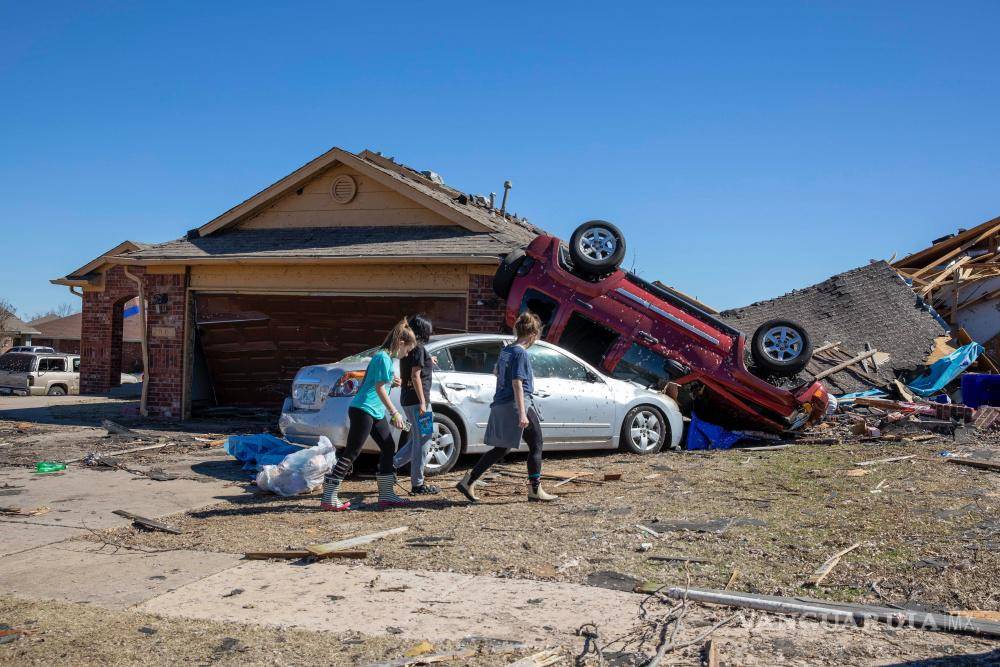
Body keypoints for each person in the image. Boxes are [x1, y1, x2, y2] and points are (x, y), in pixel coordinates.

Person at [456, 311, 558, 503]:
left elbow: (496, 372)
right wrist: (522, 413)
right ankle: (535, 489)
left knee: (501, 448)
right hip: (517, 404)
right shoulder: (521, 353)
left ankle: (468, 480)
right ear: (532, 335)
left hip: (502, 402)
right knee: (536, 443)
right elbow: (517, 383)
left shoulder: (507, 350)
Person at [321, 319, 416, 511]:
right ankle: (329, 496)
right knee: (352, 452)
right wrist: (395, 412)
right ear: (401, 343)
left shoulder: (384, 358)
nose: (406, 354)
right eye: (407, 350)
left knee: (388, 446)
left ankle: (387, 494)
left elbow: (373, 380)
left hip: (374, 410)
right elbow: (379, 388)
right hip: (364, 409)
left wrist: (392, 382)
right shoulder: (383, 357)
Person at [392, 314, 440, 495]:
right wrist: (422, 402)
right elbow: (415, 375)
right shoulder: (419, 349)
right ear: (424, 330)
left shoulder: (411, 348)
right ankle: (417, 484)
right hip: (419, 402)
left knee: (417, 439)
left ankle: (390, 466)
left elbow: (416, 366)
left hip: (407, 399)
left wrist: (430, 360)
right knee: (425, 438)